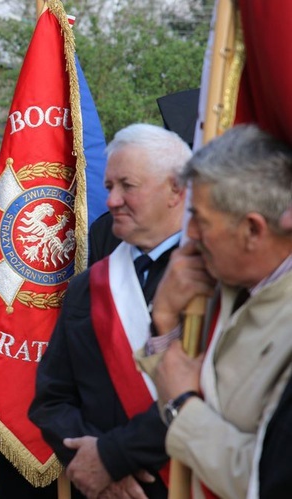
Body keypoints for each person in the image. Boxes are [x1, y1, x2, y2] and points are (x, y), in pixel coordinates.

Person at [28, 123, 192, 499]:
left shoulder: (215, 276)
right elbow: (51, 400)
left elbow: (213, 392)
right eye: (108, 187)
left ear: (176, 190)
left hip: (190, 481)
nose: (113, 200)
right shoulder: (89, 286)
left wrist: (113, 457)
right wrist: (94, 464)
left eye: (127, 186)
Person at [138, 124, 292, 499]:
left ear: (253, 230)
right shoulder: (227, 287)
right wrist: (165, 321)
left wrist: (182, 408)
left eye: (202, 222)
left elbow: (264, 480)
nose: (190, 236)